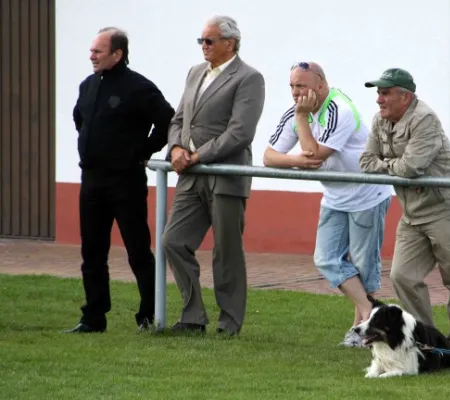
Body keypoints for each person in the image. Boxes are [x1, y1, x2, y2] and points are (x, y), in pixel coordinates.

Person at [263, 62, 392, 347]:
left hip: (367, 195)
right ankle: (372, 315)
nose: (296, 93)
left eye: (302, 86)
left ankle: (361, 330)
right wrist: (299, 161)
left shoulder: (339, 110)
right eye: (293, 86)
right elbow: (269, 157)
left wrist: (301, 121)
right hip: (335, 197)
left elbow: (315, 154)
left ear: (321, 85)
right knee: (326, 258)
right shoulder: (297, 113)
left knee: (362, 268)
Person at [64, 27, 175, 333]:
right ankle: (93, 317)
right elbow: (80, 120)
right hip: (92, 180)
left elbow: (168, 119)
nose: (91, 56)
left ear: (117, 54)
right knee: (92, 252)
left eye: (98, 51)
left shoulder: (138, 87)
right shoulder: (88, 86)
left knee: (138, 249)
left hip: (125, 181)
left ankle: (149, 315)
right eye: (91, 51)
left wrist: (143, 150)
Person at [161, 15, 265, 336]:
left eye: (209, 41)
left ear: (229, 43)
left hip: (225, 174)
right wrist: (177, 147)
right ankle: (193, 317)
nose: (203, 46)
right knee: (173, 241)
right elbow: (179, 118)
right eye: (201, 41)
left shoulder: (248, 78)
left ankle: (229, 323)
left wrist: (197, 156)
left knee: (226, 251)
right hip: (191, 175)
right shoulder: (195, 73)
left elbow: (240, 132)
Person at [359, 68, 450, 351]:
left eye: (385, 93)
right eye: (378, 93)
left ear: (405, 96)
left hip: (446, 208)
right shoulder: (380, 120)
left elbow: (412, 167)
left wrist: (388, 167)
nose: (378, 99)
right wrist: (394, 168)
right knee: (402, 275)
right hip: (412, 212)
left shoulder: (424, 119)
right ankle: (427, 340)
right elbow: (365, 161)